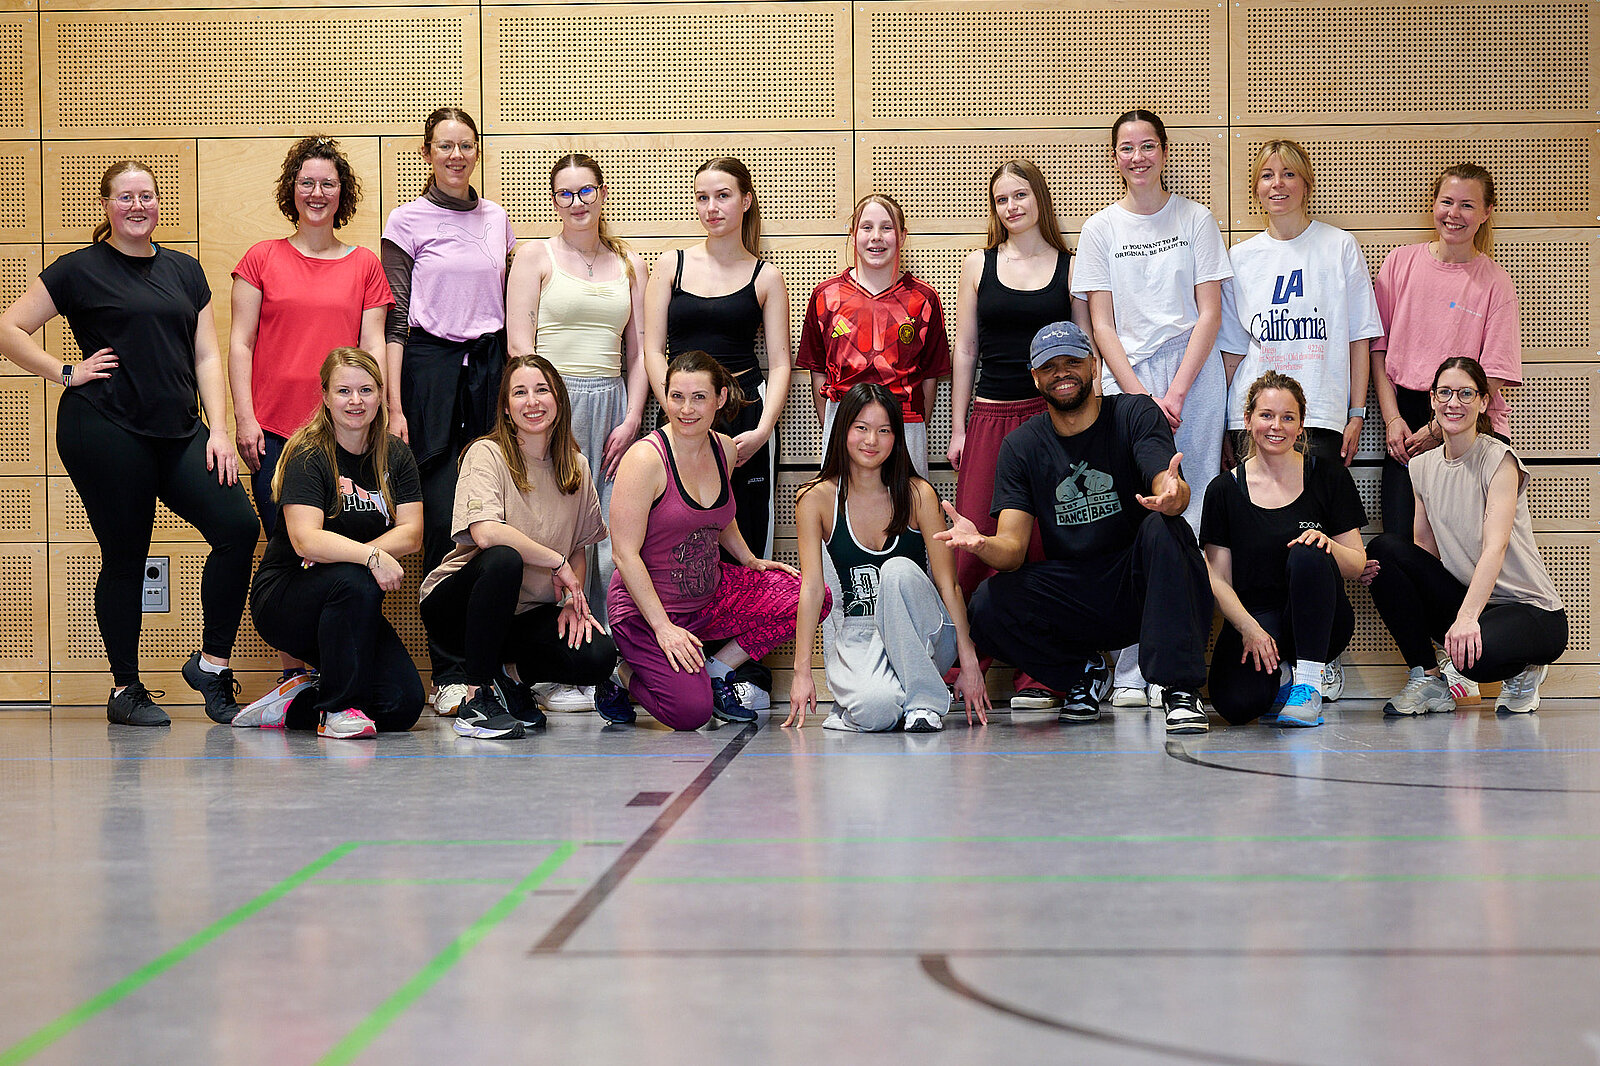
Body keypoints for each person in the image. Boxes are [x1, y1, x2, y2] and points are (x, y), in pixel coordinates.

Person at [0, 161, 259, 726]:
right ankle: (125, 689)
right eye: (125, 197)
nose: (137, 206)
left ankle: (211, 664)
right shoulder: (78, 270)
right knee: (127, 552)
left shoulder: (186, 272)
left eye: (147, 196)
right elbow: (8, 328)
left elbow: (208, 357)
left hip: (179, 429)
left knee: (238, 527)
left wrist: (218, 427)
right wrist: (64, 370)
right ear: (106, 206)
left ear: (158, 203)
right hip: (104, 427)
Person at [937, 321, 1214, 735]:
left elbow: (1164, 478)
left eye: (1072, 362)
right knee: (989, 603)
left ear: (1094, 365)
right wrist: (981, 543)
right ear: (1035, 377)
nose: (1062, 373)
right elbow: (1012, 548)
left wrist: (1173, 494)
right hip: (1076, 593)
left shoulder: (1134, 412)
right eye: (1050, 367)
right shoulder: (1022, 446)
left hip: (1139, 583)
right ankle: (1083, 674)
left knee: (1165, 526)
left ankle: (1179, 690)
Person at [1072, 109, 1232, 709]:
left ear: (1165, 152)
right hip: (1125, 383)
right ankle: (1135, 663)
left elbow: (1209, 313)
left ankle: (1179, 666)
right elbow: (1102, 324)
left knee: (1188, 518)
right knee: (1138, 516)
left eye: (1147, 146)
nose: (1137, 157)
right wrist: (1138, 396)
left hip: (1191, 379)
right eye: (1126, 148)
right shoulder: (1100, 230)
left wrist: (1179, 392)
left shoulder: (1196, 219)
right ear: (1115, 157)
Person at [1216, 139, 1381, 702]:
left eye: (1289, 174)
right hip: (1255, 420)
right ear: (1255, 188)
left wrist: (1357, 410)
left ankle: (1318, 658)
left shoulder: (1338, 248)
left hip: (1324, 410)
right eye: (1266, 176)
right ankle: (1276, 655)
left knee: (1318, 540)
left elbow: (1361, 336)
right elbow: (1233, 353)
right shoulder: (1240, 258)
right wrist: (1225, 424)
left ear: (1307, 183)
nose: (1277, 184)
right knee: (1262, 544)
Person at [229, 135, 392, 683]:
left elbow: (372, 352)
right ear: (291, 191)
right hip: (275, 433)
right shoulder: (260, 258)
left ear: (341, 193)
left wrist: (378, 422)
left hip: (344, 437)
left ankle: (338, 669)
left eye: (328, 183)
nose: (317, 192)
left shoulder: (366, 264)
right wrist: (245, 419)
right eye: (307, 183)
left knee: (339, 550)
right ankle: (293, 675)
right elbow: (239, 344)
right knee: (287, 549)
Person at [643, 157, 792, 713]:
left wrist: (759, 431)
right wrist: (676, 410)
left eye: (723, 196)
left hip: (741, 422)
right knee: (677, 540)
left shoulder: (765, 275)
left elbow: (780, 364)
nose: (712, 208)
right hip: (681, 414)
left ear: (746, 200)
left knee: (743, 541)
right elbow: (652, 349)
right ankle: (676, 659)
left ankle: (734, 670)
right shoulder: (671, 264)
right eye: (702, 197)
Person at [1369, 163, 1521, 706]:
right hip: (1406, 417)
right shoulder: (1402, 263)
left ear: (1485, 215)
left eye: (1466, 206)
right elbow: (1378, 349)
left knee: (1458, 554)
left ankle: (1468, 656)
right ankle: (1424, 674)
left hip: (1463, 421)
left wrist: (1440, 423)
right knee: (1398, 555)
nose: (1453, 215)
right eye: (1446, 202)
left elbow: (1496, 372)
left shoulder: (1494, 280)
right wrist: (1394, 419)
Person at [381, 107, 516, 717]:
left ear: (477, 152)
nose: (456, 155)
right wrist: (394, 404)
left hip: (488, 370)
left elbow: (508, 308)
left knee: (490, 518)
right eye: (445, 146)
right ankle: (449, 673)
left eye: (466, 145)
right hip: (429, 373)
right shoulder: (406, 220)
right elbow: (396, 319)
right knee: (439, 522)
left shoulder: (498, 220)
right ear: (427, 152)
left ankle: (491, 666)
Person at [605, 350, 815, 731]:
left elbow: (720, 514)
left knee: (806, 594)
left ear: (720, 399)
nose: (686, 409)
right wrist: (662, 628)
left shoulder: (725, 448)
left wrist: (749, 559)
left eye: (699, 397)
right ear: (664, 397)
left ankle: (716, 673)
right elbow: (624, 554)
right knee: (692, 713)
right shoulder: (645, 460)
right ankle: (623, 674)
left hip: (708, 600)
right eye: (677, 396)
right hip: (646, 612)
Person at [947, 158, 1089, 710]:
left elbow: (1082, 349)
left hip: (1049, 421)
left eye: (1021, 196)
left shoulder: (1068, 267)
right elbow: (965, 350)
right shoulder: (977, 266)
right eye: (1002, 198)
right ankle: (967, 664)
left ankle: (1042, 671)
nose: (1011, 207)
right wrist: (958, 427)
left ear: (1040, 201)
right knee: (973, 545)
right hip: (989, 417)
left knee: (1042, 548)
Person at [505, 152, 647, 706]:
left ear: (602, 193)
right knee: (557, 541)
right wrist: (545, 410)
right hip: (551, 407)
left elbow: (639, 355)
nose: (577, 203)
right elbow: (520, 346)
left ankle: (608, 666)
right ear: (553, 200)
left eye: (586, 191)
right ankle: (555, 667)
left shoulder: (627, 262)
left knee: (612, 545)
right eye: (565, 194)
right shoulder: (535, 256)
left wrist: (633, 416)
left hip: (613, 407)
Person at [418, 355, 619, 739]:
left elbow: (580, 545)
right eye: (520, 393)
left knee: (598, 655)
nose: (532, 401)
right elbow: (486, 534)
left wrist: (569, 603)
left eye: (542, 390)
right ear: (507, 410)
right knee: (503, 559)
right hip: (457, 610)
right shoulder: (486, 453)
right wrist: (555, 561)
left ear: (558, 400)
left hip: (523, 615)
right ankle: (477, 699)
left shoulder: (575, 467)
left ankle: (506, 679)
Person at [237, 348, 424, 737]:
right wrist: (371, 557)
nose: (355, 401)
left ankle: (295, 705)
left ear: (379, 394)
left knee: (402, 705)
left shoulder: (396, 455)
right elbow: (306, 541)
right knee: (354, 579)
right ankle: (338, 710)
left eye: (366, 390)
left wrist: (361, 557)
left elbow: (413, 533)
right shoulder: (307, 452)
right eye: (343, 391)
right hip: (286, 600)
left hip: (348, 604)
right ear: (325, 396)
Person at [1364, 357, 1565, 716]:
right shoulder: (1421, 467)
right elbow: (1425, 554)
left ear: (1484, 402)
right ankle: (1428, 678)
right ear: (1431, 399)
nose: (1453, 403)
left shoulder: (1499, 459)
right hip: (1473, 603)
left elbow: (1495, 548)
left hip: (1529, 610)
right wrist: (1430, 610)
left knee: (1474, 660)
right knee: (1384, 553)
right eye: (1444, 393)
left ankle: (1525, 669)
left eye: (1465, 394)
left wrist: (1466, 619)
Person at [785, 384, 987, 733]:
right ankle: (877, 702)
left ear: (897, 437)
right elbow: (813, 589)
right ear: (842, 430)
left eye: (884, 431)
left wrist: (969, 663)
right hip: (860, 633)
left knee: (897, 570)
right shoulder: (815, 498)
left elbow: (947, 584)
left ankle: (924, 702)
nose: (871, 441)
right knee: (876, 711)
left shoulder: (918, 493)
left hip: (924, 633)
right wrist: (802, 672)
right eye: (861, 428)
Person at [1200, 372, 1367, 727]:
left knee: (1309, 551)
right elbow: (1217, 579)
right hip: (1257, 619)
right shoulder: (1223, 490)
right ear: (1247, 421)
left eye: (1288, 417)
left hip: (1322, 620)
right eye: (1266, 415)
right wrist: (1249, 629)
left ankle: (1307, 684)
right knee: (1236, 705)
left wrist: (1329, 546)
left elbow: (1356, 564)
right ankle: (1284, 675)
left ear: (1301, 426)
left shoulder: (1329, 476)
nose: (1276, 426)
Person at [796, 194, 951, 477]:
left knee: (907, 512)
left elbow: (930, 376)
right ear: (853, 235)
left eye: (887, 228)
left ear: (902, 236)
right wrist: (835, 423)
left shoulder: (923, 299)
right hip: (844, 424)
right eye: (866, 227)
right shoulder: (826, 296)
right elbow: (817, 369)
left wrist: (913, 425)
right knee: (844, 513)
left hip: (904, 423)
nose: (876, 237)